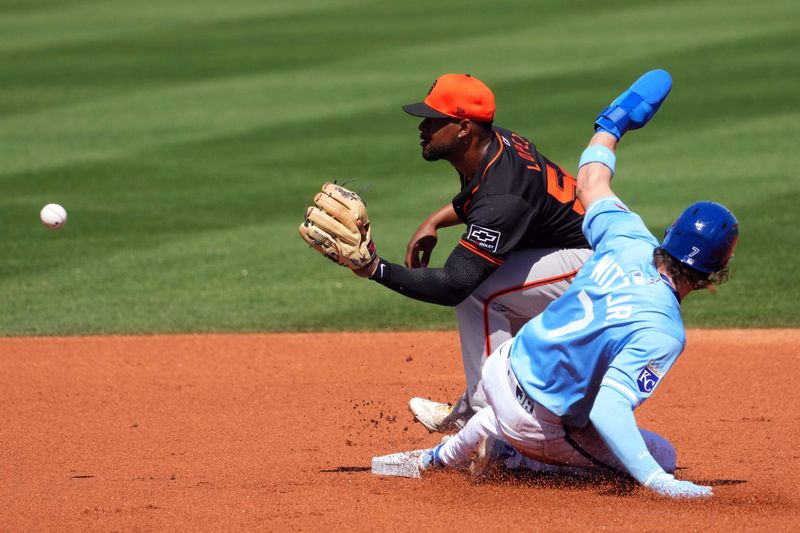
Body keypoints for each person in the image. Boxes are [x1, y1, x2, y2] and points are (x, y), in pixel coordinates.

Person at [415, 69, 739, 499]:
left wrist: (613, 123)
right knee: (661, 454)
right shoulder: (662, 330)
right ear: (716, 272)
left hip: (502, 369)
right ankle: (514, 452)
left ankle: (475, 424)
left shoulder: (626, 236)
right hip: (529, 421)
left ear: (671, 232)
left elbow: (590, 180)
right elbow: (610, 408)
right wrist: (658, 480)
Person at [354, 74, 592, 432]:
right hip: (567, 251)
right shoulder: (492, 145)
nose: (423, 127)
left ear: (464, 128)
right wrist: (435, 219)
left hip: (593, 264)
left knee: (478, 292)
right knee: (506, 310)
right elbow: (481, 199)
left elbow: (454, 284)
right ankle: (496, 413)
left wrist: (375, 269)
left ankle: (489, 421)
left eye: (434, 120)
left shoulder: (502, 194)